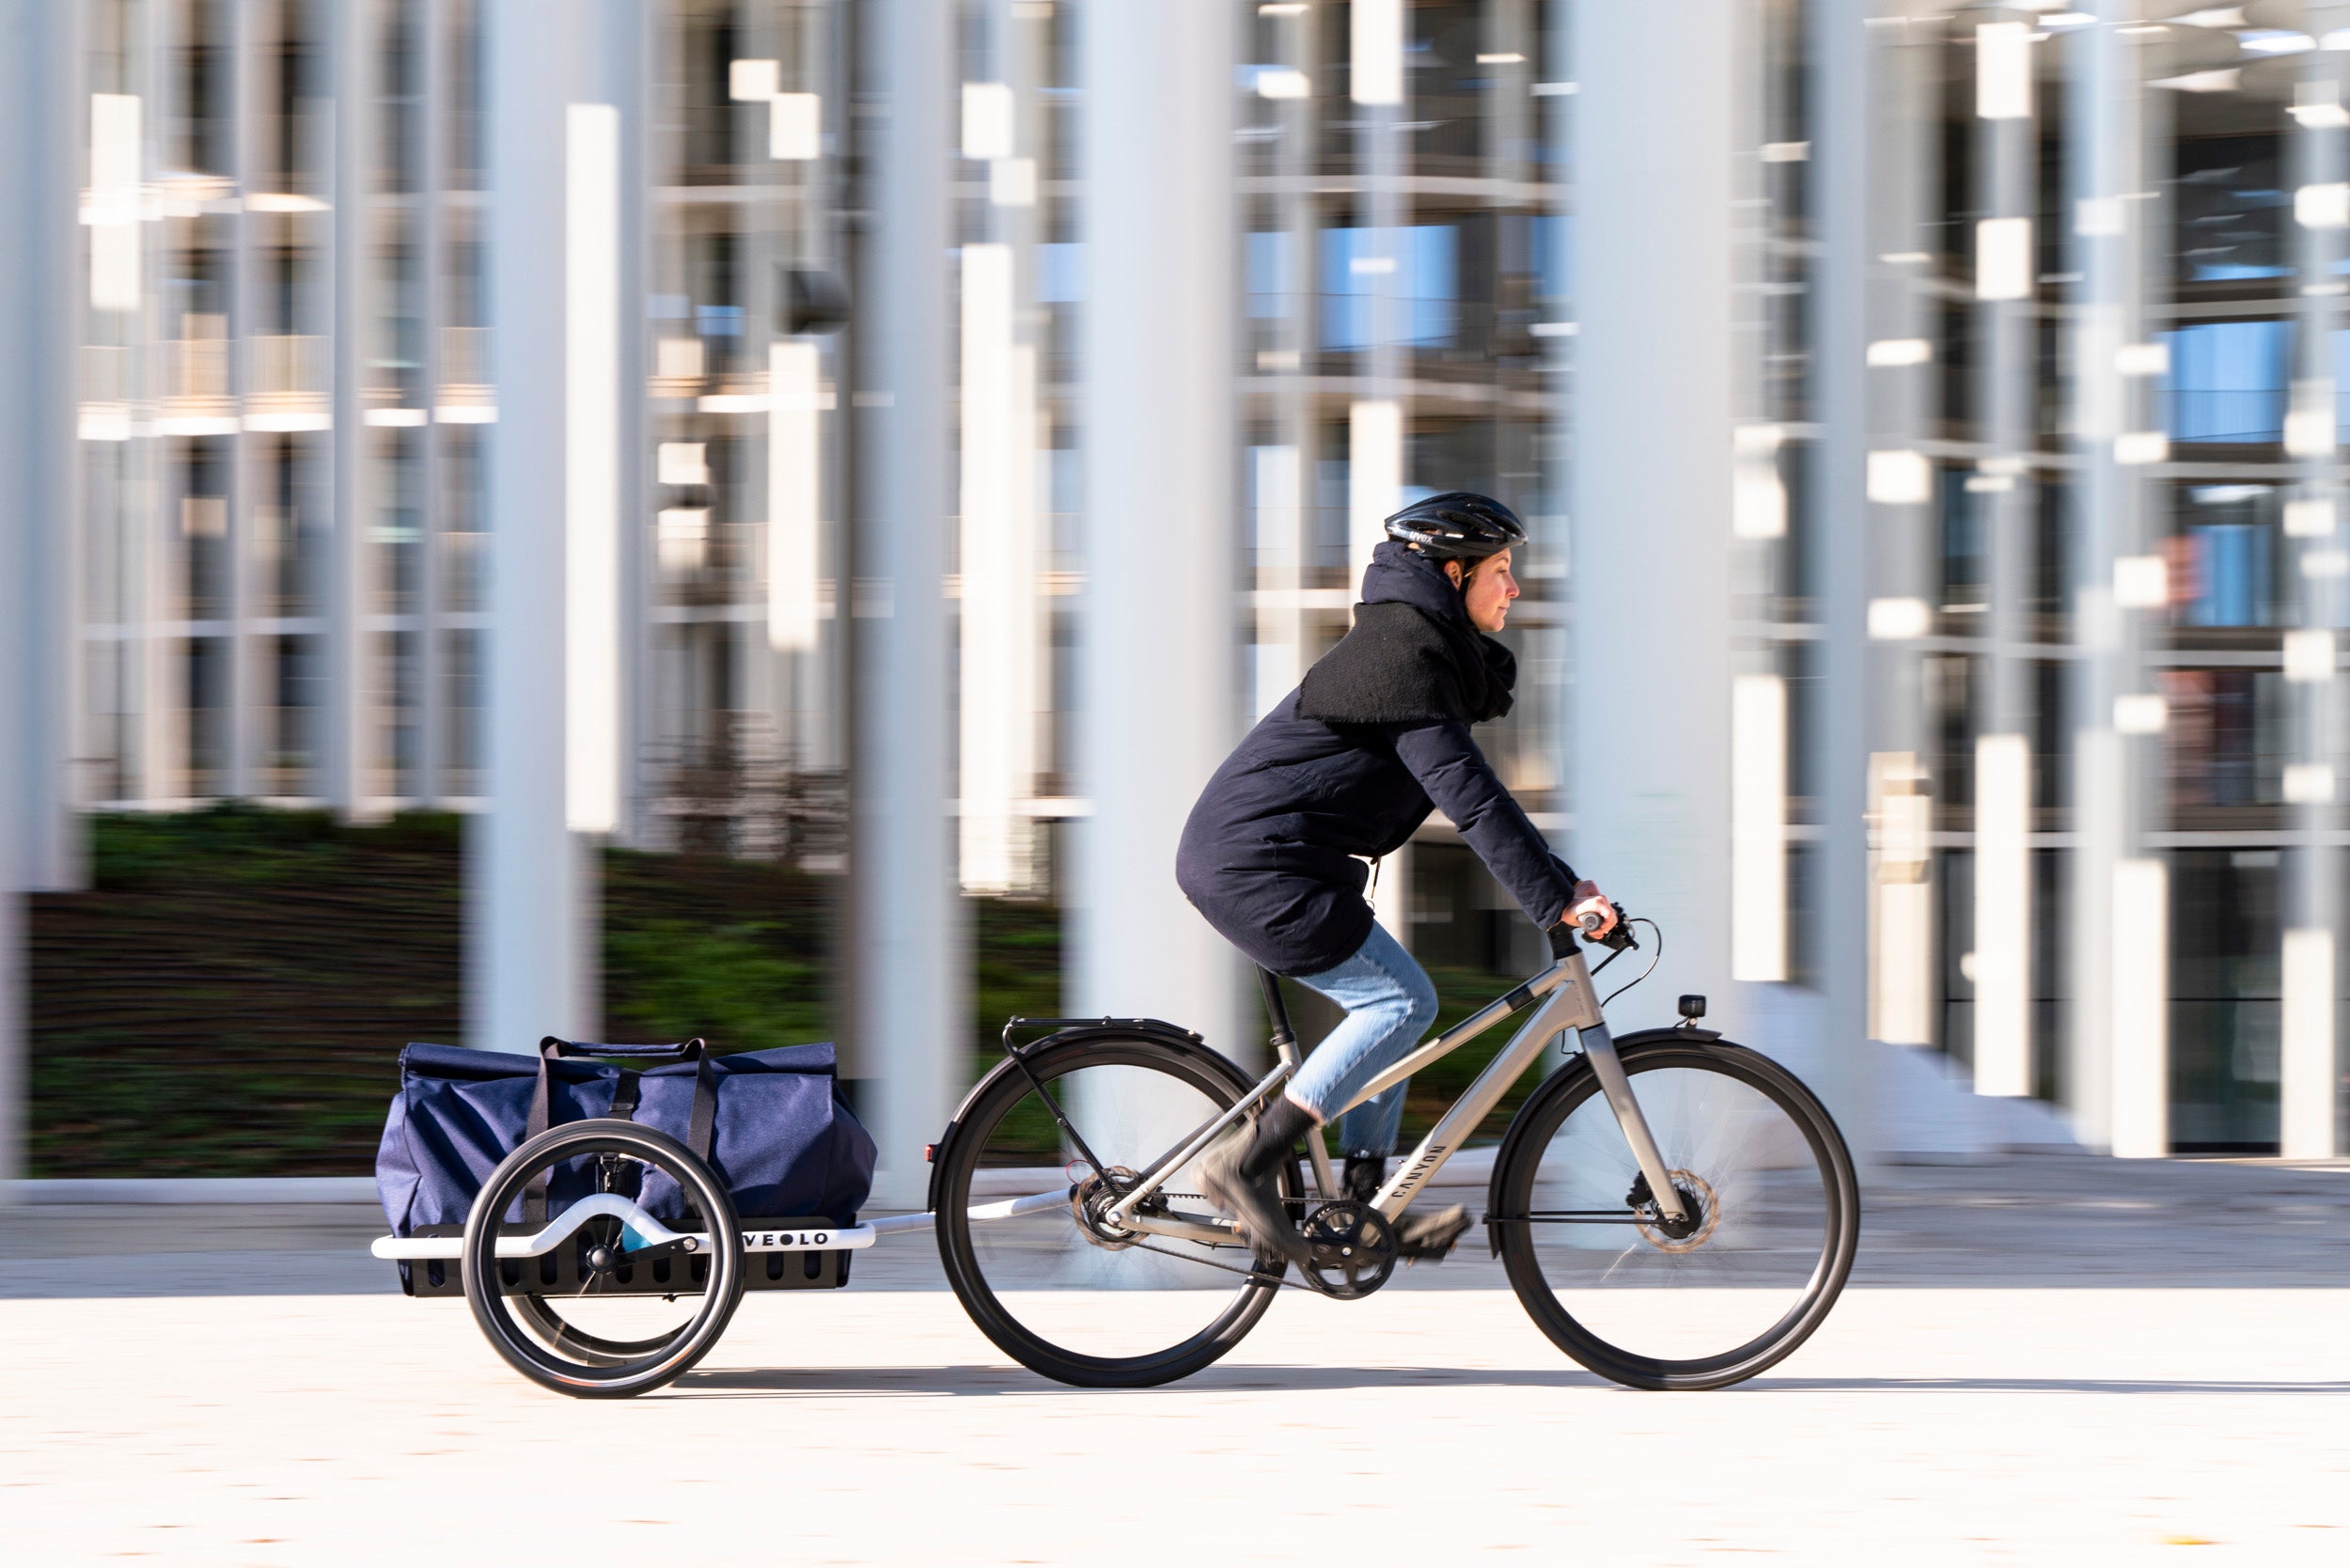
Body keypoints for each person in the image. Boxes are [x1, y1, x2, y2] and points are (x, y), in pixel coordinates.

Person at [1177, 492, 1618, 1267]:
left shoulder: (1417, 652)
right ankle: (1242, 1163)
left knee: (1396, 1011)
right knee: (1402, 1001)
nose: (1514, 588)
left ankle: (1361, 1209)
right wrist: (1557, 898)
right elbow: (1472, 801)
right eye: (1503, 570)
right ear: (1453, 574)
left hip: (1290, 865)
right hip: (1259, 866)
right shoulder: (1400, 659)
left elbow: (1481, 797)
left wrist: (1563, 886)